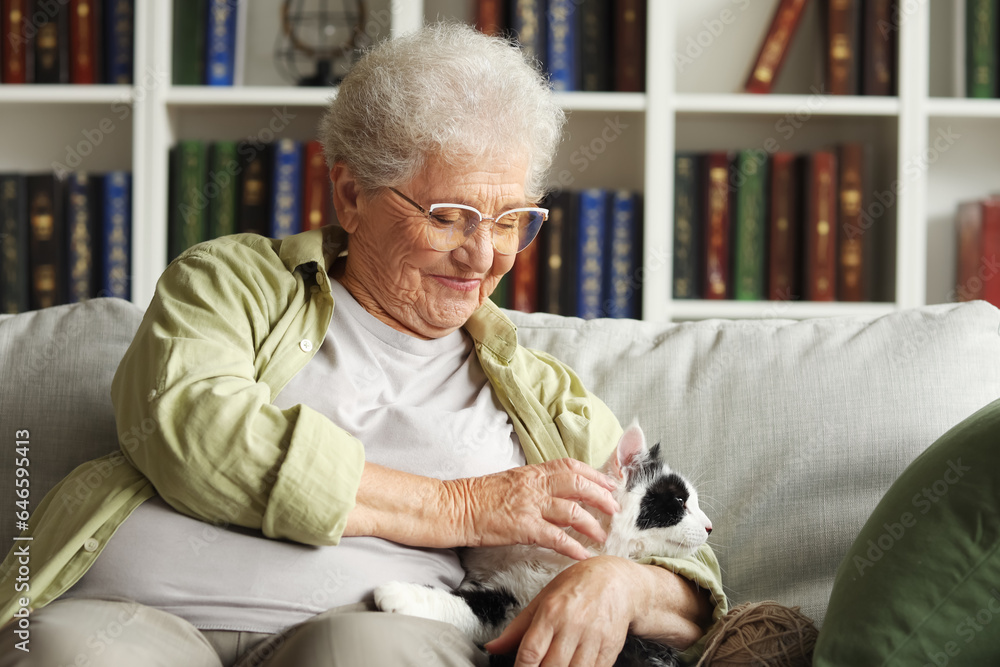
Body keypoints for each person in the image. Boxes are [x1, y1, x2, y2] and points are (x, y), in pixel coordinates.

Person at [0, 23, 725, 667]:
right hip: (134, 611)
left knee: (359, 654)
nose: (484, 255)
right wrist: (462, 507)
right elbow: (193, 430)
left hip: (369, 630)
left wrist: (617, 583)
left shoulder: (541, 393)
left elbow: (695, 578)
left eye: (510, 220)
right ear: (351, 196)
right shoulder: (234, 282)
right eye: (452, 216)